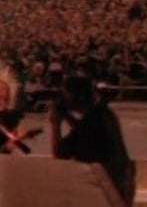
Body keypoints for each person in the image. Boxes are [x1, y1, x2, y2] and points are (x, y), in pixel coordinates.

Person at [50, 75, 135, 206]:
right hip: (118, 184)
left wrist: (55, 124)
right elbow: (84, 132)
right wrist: (67, 117)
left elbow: (59, 153)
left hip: (103, 191)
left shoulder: (90, 124)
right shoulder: (103, 113)